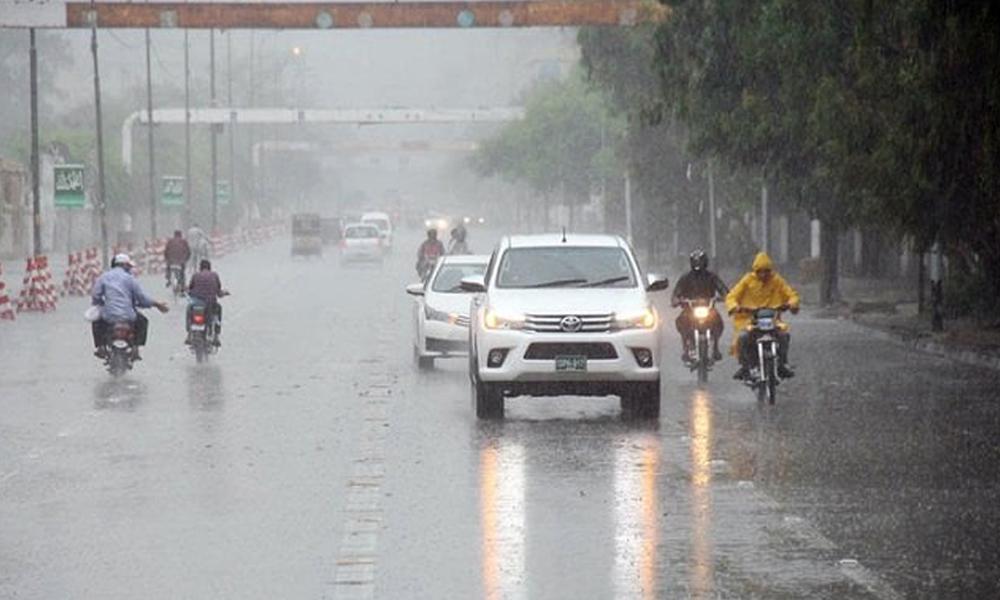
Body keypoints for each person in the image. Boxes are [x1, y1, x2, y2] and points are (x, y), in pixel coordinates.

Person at [725, 251, 800, 380]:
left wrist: (792, 304)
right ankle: (747, 366)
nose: (764, 274)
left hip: (772, 320)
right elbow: (732, 296)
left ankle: (782, 363)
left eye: (766, 271)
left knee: (783, 336)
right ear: (755, 270)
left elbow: (791, 294)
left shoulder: (776, 280)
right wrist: (734, 306)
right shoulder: (747, 280)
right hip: (750, 320)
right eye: (760, 271)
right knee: (743, 338)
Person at [90, 253, 169, 359]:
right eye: (129, 266)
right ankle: (136, 348)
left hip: (109, 316)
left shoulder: (104, 277)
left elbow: (95, 295)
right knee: (143, 321)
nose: (130, 269)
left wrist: (100, 304)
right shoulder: (130, 279)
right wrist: (157, 305)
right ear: (124, 265)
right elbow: (141, 298)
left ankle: (100, 348)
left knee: (96, 322)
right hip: (128, 316)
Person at [671, 249, 729, 362]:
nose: (698, 265)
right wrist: (677, 300)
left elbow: (723, 289)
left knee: (718, 322)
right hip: (690, 310)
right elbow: (676, 293)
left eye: (700, 262)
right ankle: (686, 348)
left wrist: (725, 297)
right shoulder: (686, 278)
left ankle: (715, 347)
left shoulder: (711, 277)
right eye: (695, 262)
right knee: (681, 321)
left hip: (709, 309)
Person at [187, 259, 227, 346]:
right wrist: (223, 293)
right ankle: (216, 335)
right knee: (218, 310)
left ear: (200, 267)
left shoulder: (195, 275)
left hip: (197, 303)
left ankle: (189, 334)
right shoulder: (214, 275)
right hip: (211, 303)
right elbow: (218, 291)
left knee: (189, 310)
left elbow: (190, 290)